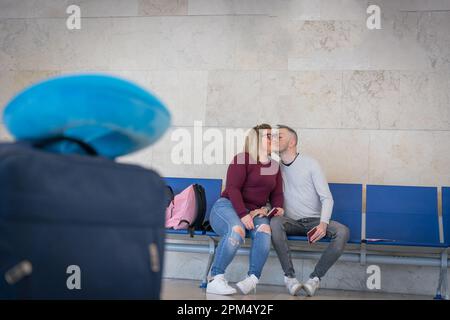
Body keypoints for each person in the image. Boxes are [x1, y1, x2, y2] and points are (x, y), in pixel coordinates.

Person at [270, 125, 350, 297]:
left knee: (342, 231)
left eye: (279, 137)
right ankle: (290, 277)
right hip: (290, 221)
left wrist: (323, 223)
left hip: (314, 221)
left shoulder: (310, 163)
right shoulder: (273, 168)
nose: (274, 140)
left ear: (292, 142)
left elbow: (327, 198)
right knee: (275, 222)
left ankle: (314, 279)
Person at [206, 124, 284, 295]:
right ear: (257, 139)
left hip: (255, 212)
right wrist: (242, 214)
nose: (274, 139)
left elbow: (277, 194)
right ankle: (215, 278)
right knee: (237, 229)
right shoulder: (242, 159)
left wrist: (277, 208)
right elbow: (233, 189)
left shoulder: (274, 166)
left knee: (264, 229)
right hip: (228, 206)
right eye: (268, 136)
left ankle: (252, 279)